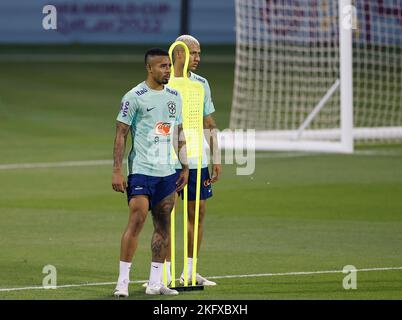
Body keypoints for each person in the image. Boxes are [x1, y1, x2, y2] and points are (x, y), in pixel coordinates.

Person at [112, 48, 189, 297]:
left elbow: (178, 133)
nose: (167, 70)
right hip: (142, 170)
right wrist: (116, 170)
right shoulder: (134, 96)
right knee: (137, 219)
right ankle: (122, 281)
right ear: (150, 68)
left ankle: (155, 282)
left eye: (168, 66)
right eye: (162, 66)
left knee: (164, 224)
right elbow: (121, 133)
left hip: (168, 172)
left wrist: (185, 165)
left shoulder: (175, 96)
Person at [169, 35, 221, 286]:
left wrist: (217, 157)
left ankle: (189, 271)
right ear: (179, 53)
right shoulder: (164, 81)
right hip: (168, 159)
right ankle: (162, 274)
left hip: (198, 158)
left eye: (200, 53)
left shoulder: (201, 84)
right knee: (166, 215)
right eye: (194, 52)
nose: (198, 58)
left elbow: (208, 122)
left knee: (197, 214)